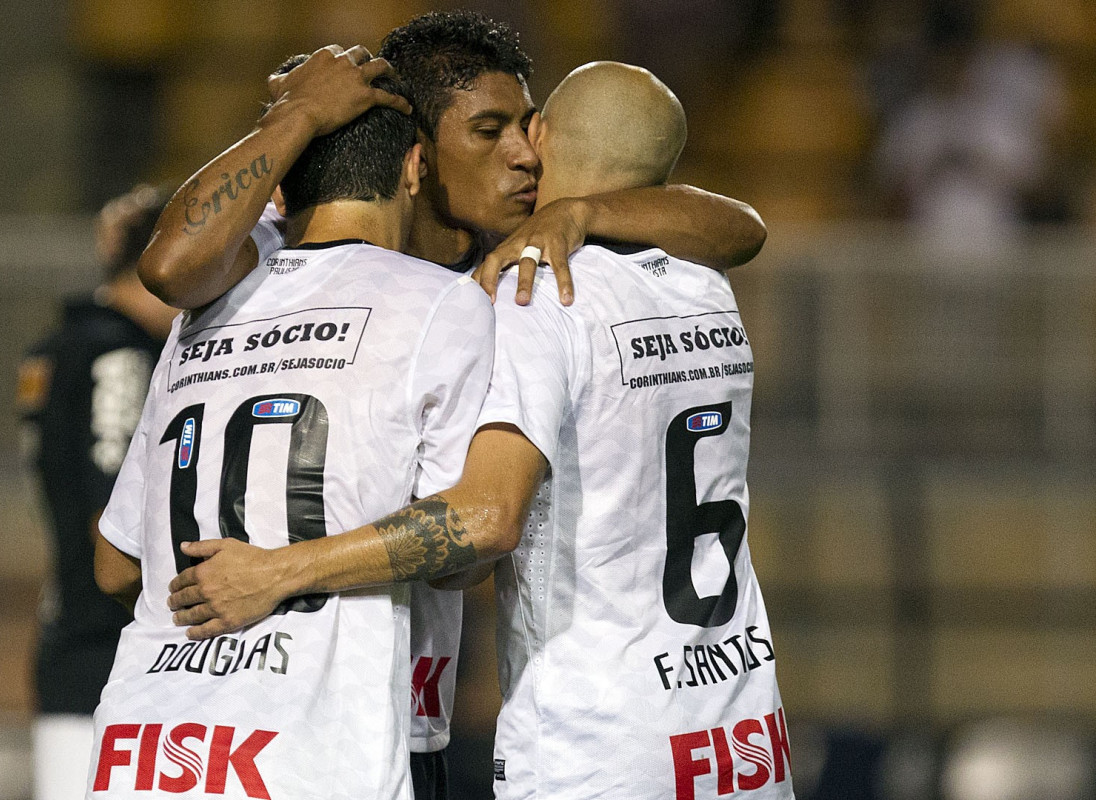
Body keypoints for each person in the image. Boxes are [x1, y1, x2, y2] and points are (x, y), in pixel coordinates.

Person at [138, 11, 766, 799]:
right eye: (490, 131)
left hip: (406, 720)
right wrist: (295, 117)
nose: (525, 155)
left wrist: (586, 211)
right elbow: (170, 266)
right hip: (271, 708)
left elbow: (739, 226)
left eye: (528, 128)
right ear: (417, 159)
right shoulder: (291, 256)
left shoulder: (521, 270)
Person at [88, 59, 494, 800]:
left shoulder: (203, 315)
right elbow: (462, 550)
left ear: (279, 184)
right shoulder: (444, 302)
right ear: (414, 168)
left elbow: (117, 567)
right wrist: (281, 576)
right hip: (317, 740)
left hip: (153, 744)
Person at [16, 184, 177, 800]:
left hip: (68, 640)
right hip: (113, 659)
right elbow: (110, 517)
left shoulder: (55, 348)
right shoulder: (118, 355)